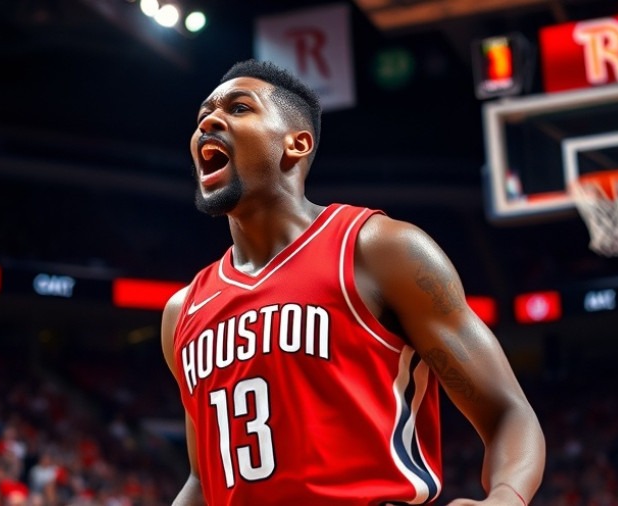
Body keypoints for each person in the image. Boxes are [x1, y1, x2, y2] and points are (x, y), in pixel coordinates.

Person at [160, 59, 546, 505]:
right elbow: (202, 480)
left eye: (239, 108)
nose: (209, 120)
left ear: (296, 144)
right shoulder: (182, 313)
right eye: (202, 114)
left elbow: (508, 414)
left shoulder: (380, 251)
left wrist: (504, 499)